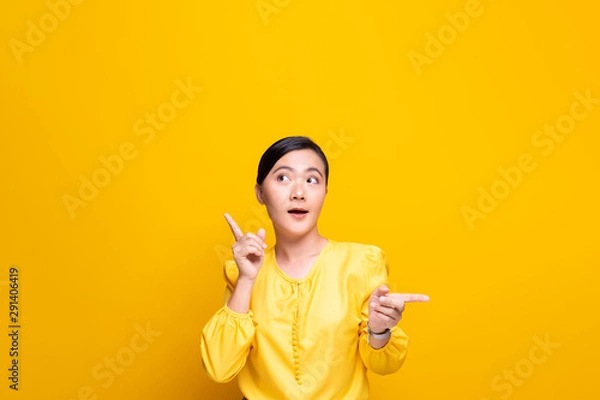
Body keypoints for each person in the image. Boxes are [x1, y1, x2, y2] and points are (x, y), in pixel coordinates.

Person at [200, 136, 429, 399]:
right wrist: (246, 279)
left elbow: (384, 364)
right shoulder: (242, 273)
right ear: (260, 193)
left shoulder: (361, 263)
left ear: (325, 192)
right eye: (283, 178)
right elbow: (219, 368)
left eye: (312, 180)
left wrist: (379, 330)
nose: (299, 193)